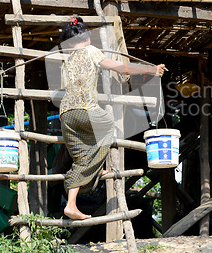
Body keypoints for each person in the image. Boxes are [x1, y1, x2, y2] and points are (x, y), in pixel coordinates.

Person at [59, 17, 165, 220]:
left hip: (66, 114)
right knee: (108, 127)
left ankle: (71, 204)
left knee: (81, 157)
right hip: (85, 109)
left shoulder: (67, 61)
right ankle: (95, 170)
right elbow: (121, 68)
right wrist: (151, 70)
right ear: (87, 38)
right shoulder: (91, 51)